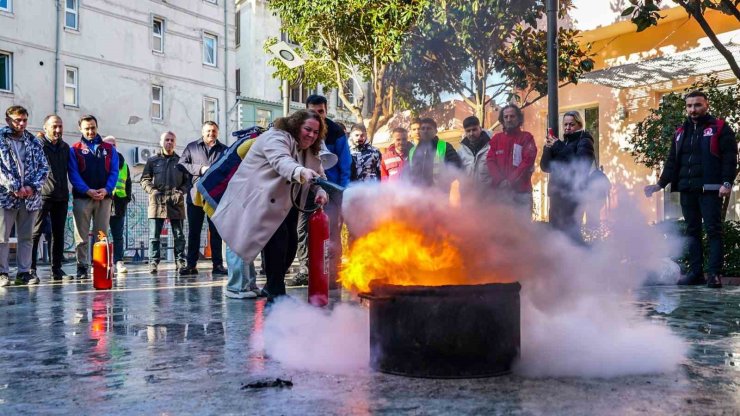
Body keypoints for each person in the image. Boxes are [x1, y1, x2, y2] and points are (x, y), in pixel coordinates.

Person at [211, 110, 329, 301]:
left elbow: (320, 175)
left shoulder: (310, 151)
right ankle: (274, 292)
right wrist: (300, 171)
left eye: (316, 132)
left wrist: (321, 191)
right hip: (256, 201)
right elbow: (281, 161)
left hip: (285, 203)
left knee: (290, 245)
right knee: (273, 243)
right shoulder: (275, 137)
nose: (311, 135)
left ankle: (271, 287)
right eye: (308, 129)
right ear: (296, 125)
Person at [644, 90, 737, 288]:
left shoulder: (719, 127)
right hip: (687, 189)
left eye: (697, 105)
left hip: (711, 189)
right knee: (692, 231)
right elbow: (672, 161)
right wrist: (659, 184)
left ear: (706, 105)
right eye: (689, 106)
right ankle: (696, 274)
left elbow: (730, 157)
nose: (693, 109)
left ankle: (714, 274)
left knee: (714, 231)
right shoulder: (680, 133)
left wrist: (727, 182)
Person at [294, 95, 351, 287]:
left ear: (326, 111)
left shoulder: (335, 132)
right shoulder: (301, 129)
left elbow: (345, 165)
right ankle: (306, 271)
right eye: (313, 111)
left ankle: (333, 274)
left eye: (321, 112)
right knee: (302, 230)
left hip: (330, 190)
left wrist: (340, 193)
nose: (317, 116)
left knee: (332, 232)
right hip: (304, 188)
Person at [0, 106, 50, 286]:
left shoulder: (33, 141)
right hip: (5, 197)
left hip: (30, 198)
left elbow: (44, 168)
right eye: (17, 120)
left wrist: (32, 187)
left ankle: (24, 272)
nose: (21, 124)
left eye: (24, 120)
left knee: (26, 237)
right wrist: (13, 186)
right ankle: (2, 272)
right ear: (8, 120)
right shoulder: (1, 139)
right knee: (2, 236)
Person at [68, 115, 119, 278]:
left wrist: (107, 189)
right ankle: (82, 266)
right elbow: (73, 174)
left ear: (97, 127)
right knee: (81, 235)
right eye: (87, 128)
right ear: (80, 129)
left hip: (104, 198)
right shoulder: (74, 149)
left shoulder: (109, 149)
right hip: (82, 198)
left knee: (101, 234)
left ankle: (100, 266)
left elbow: (114, 172)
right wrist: (87, 190)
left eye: (93, 127)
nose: (90, 131)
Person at [178, 121, 228, 276]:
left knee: (216, 232)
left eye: (213, 131)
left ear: (217, 132)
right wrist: (200, 169)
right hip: (195, 196)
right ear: (202, 132)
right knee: (194, 232)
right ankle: (191, 265)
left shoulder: (224, 150)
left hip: (215, 197)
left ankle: (218, 265)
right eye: (208, 131)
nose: (211, 134)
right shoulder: (192, 147)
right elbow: (181, 164)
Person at [540, 111, 595, 243]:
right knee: (556, 234)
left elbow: (581, 164)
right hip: (556, 195)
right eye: (565, 124)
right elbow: (545, 167)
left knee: (572, 234)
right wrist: (548, 148)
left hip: (573, 197)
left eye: (571, 124)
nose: (567, 128)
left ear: (579, 125)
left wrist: (557, 146)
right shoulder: (562, 143)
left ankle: (583, 260)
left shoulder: (585, 141)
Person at [140, 131, 189, 274]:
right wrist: (152, 191)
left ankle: (180, 261)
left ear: (175, 142)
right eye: (166, 140)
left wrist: (180, 192)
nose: (169, 142)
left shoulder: (181, 162)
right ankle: (153, 262)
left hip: (176, 202)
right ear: (161, 142)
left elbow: (188, 182)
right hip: (157, 202)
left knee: (179, 235)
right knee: (154, 236)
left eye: (172, 140)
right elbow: (145, 179)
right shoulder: (153, 160)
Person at [31, 115, 69, 281]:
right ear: (45, 127)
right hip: (42, 195)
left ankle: (57, 269)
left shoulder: (65, 147)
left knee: (58, 233)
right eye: (54, 126)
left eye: (60, 126)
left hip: (61, 196)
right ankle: (30, 269)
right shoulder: (37, 145)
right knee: (35, 232)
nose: (58, 130)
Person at [486, 106, 538, 211]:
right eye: (506, 117)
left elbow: (527, 161)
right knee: (501, 226)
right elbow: (490, 160)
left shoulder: (527, 137)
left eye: (512, 116)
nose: (509, 119)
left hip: (521, 193)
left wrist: (510, 180)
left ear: (519, 118)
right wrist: (500, 181)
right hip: (500, 192)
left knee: (522, 226)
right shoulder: (496, 138)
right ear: (502, 120)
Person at [102, 136, 132, 275]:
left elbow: (128, 184)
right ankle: (99, 262)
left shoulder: (123, 163)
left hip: (118, 203)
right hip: (102, 202)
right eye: (108, 144)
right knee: (100, 234)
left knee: (118, 235)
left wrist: (126, 199)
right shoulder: (99, 161)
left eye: (113, 144)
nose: (111, 147)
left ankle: (118, 261)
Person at [407, 117, 462, 186]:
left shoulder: (445, 146)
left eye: (429, 128)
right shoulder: (413, 151)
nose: (425, 131)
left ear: (436, 131)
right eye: (423, 128)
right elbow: (408, 173)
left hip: (441, 193)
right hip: (419, 193)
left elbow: (456, 168)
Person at [458, 116, 492, 188]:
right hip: (469, 195)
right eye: (468, 131)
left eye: (474, 130)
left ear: (480, 128)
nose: (471, 133)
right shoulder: (461, 151)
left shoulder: (491, 147)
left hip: (489, 194)